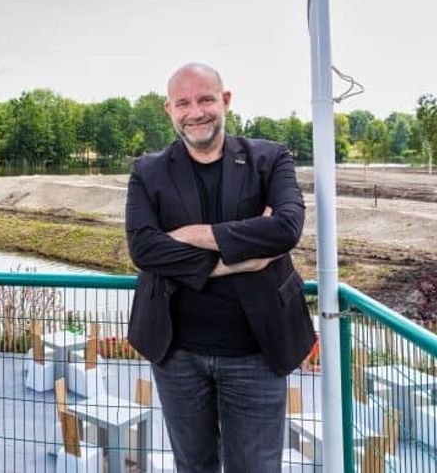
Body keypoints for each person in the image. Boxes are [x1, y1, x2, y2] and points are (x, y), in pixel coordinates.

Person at [125, 63, 314, 472]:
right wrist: (238, 258)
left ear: (225, 100)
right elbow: (143, 248)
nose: (196, 112)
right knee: (193, 465)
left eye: (206, 99)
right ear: (169, 110)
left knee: (257, 467)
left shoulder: (270, 158)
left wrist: (192, 234)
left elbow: (285, 228)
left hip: (256, 351)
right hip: (177, 353)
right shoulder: (148, 171)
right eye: (184, 103)